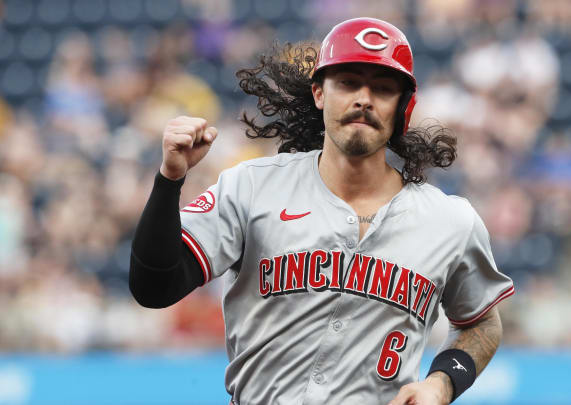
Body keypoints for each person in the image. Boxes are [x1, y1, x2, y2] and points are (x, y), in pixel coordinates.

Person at [129, 17, 514, 405]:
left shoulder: (449, 221)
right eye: (348, 83)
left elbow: (481, 321)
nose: (363, 98)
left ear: (403, 108)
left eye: (382, 89)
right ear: (319, 93)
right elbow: (154, 287)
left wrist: (441, 384)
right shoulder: (252, 187)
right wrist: (169, 181)